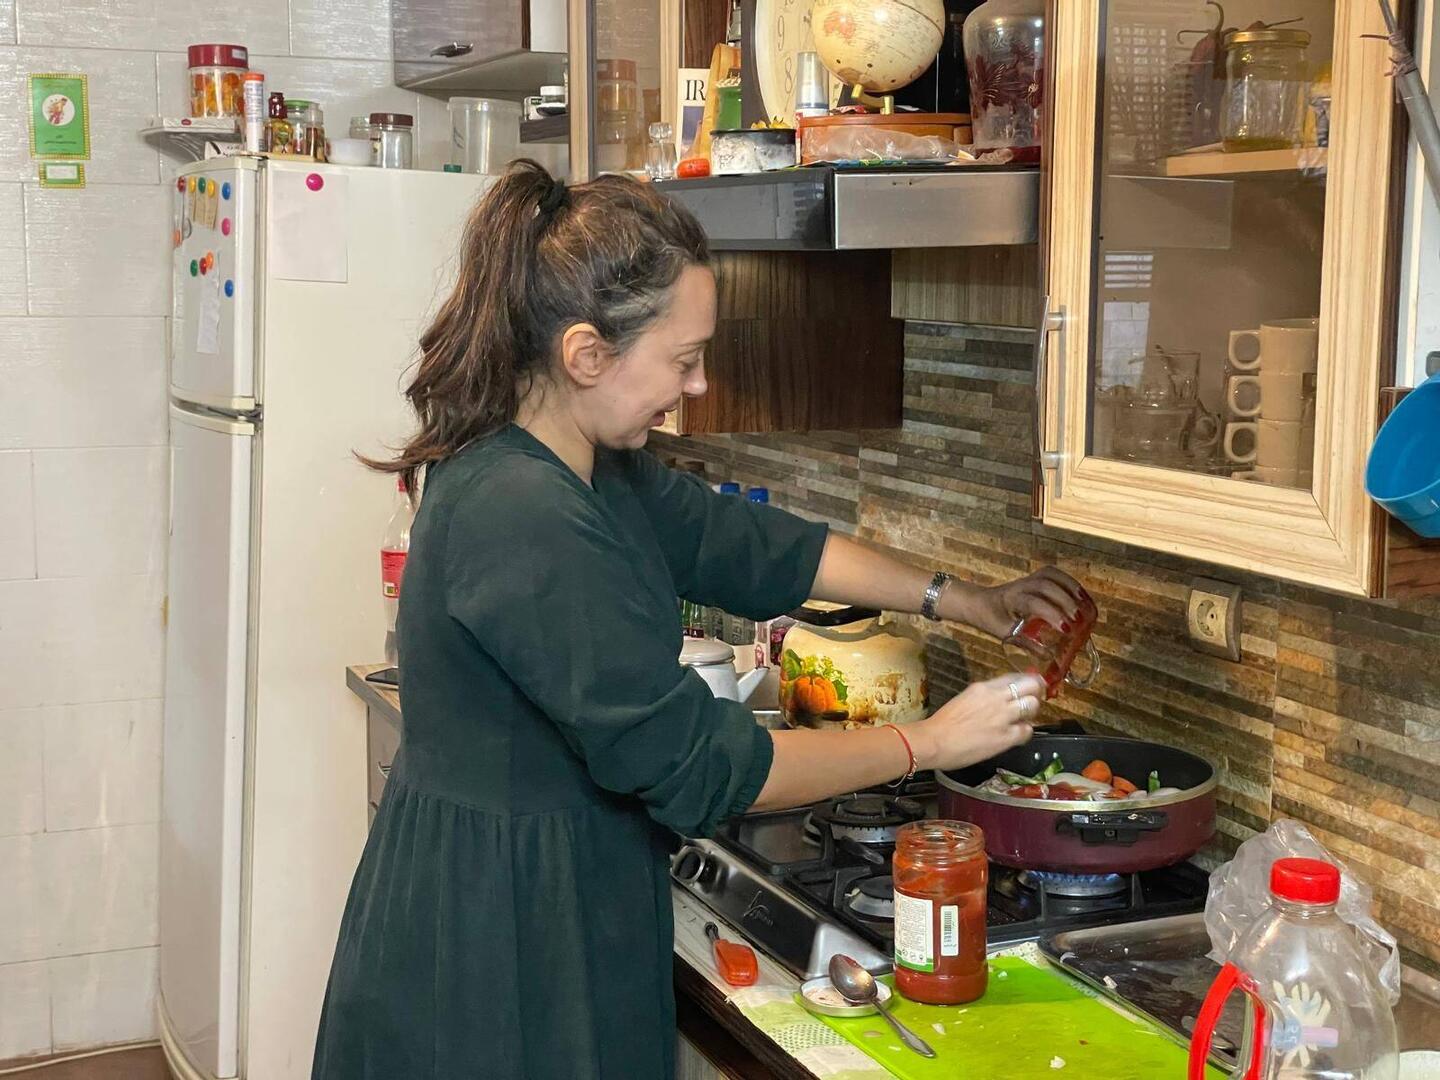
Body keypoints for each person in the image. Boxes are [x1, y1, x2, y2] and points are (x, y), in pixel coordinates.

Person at [312, 160, 1087, 1080]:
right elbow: (706, 766)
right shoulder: (520, 511)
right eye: (682, 360)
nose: (702, 383)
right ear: (586, 354)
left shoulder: (584, 464)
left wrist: (965, 599)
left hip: (558, 891)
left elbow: (750, 545)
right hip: (499, 930)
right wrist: (928, 743)